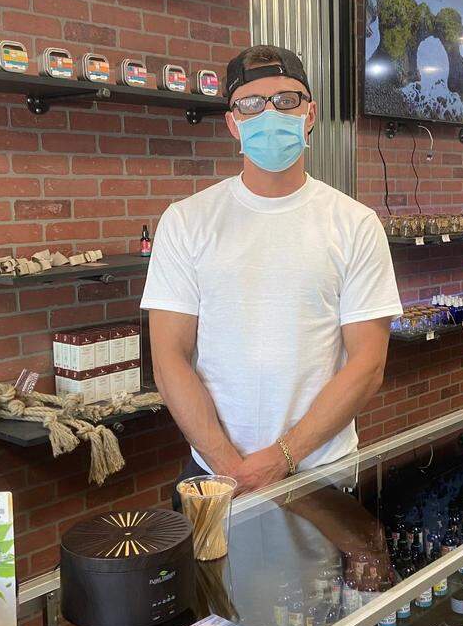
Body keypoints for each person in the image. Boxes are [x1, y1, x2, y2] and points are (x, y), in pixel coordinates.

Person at [140, 45, 402, 494]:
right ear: (232, 123)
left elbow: (367, 364)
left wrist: (282, 457)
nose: (269, 113)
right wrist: (228, 466)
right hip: (214, 474)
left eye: (286, 100)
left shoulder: (355, 224)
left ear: (310, 114)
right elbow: (169, 360)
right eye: (250, 103)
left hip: (321, 470)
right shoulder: (186, 221)